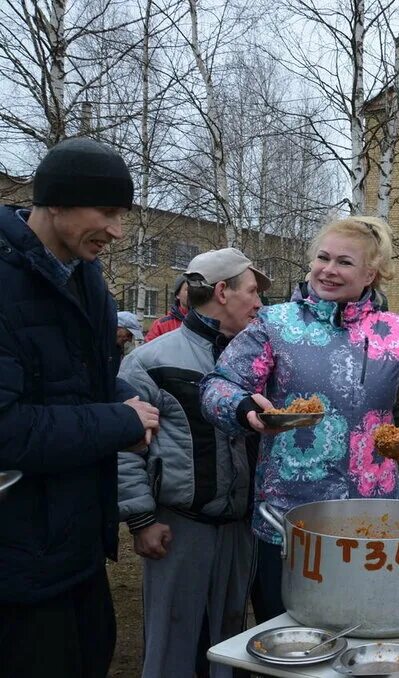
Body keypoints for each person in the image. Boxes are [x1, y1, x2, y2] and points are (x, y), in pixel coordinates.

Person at [200, 216, 399, 623]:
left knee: (365, 626)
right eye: (323, 258)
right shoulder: (276, 325)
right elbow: (216, 386)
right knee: (289, 633)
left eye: (345, 263)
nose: (329, 270)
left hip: (374, 520)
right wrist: (244, 407)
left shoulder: (395, 333)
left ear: (372, 273)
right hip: (289, 522)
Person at [0, 137, 160, 677]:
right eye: (108, 213)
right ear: (58, 203)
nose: (116, 232)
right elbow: (6, 427)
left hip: (77, 544)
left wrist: (127, 403)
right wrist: (119, 422)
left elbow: (84, 383)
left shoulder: (85, 276)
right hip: (18, 556)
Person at [117, 248, 269, 678]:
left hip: (242, 530)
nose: (259, 303)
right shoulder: (149, 360)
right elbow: (125, 448)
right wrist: (142, 521)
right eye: (253, 291)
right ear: (222, 292)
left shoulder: (259, 360)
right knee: (172, 646)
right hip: (178, 528)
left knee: (228, 647)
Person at [146, 274, 189, 341]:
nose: (192, 293)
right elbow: (148, 349)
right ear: (178, 295)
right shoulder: (161, 325)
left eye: (195, 289)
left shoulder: (206, 321)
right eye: (188, 289)